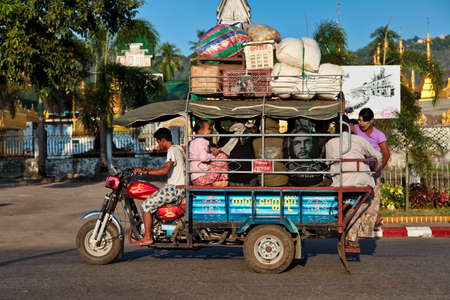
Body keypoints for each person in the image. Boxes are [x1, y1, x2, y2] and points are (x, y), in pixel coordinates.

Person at [325, 115, 382, 251]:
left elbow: (327, 163)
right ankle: (351, 235)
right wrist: (374, 168)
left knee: (350, 199)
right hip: (360, 180)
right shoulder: (359, 140)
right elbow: (378, 155)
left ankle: (345, 212)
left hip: (339, 181)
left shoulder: (330, 143)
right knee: (366, 202)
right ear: (349, 126)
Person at [132, 128, 185, 246]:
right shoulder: (178, 149)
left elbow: (165, 170)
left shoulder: (171, 150)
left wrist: (146, 173)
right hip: (180, 187)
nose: (158, 145)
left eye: (158, 142)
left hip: (174, 189)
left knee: (146, 205)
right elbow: (168, 168)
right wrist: (148, 170)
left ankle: (147, 237)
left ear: (163, 140)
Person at [354, 108, 390, 233]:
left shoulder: (379, 135)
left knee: (373, 200)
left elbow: (386, 154)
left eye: (364, 121)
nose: (361, 124)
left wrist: (377, 170)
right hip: (358, 171)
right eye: (359, 120)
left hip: (373, 170)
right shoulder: (355, 129)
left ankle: (369, 226)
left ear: (372, 121)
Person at [189, 120, 228, 186]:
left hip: (197, 177)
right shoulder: (200, 141)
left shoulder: (195, 141)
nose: (211, 131)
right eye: (209, 129)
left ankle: (215, 182)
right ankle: (220, 180)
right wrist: (213, 155)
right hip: (201, 177)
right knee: (222, 156)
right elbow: (203, 158)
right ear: (201, 130)